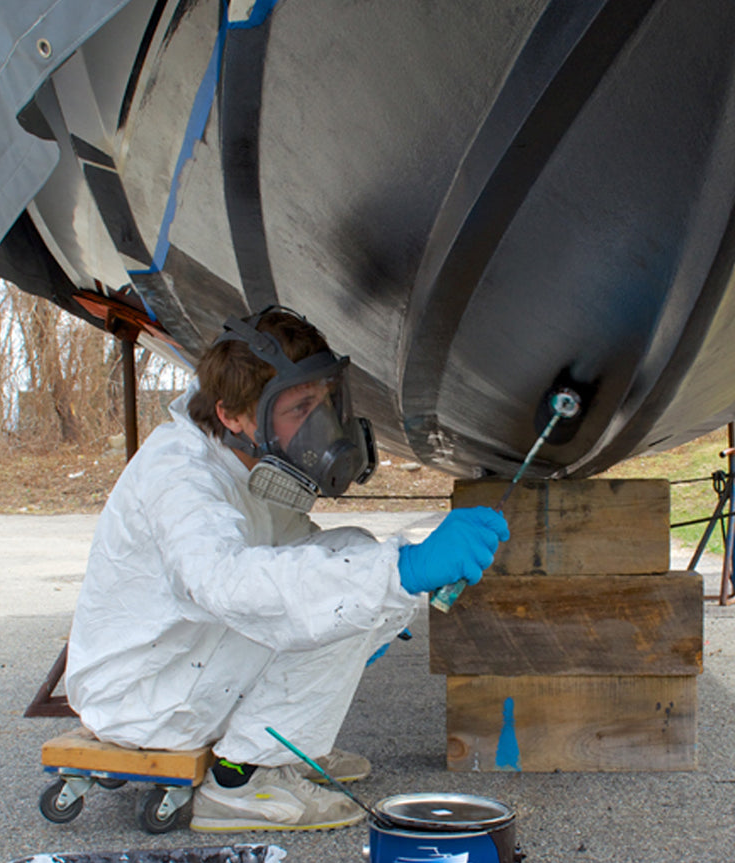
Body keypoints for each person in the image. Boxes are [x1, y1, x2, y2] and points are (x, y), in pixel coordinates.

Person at [65, 306, 509, 832]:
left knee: (351, 558)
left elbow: (303, 556)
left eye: (323, 400)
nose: (319, 422)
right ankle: (243, 779)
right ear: (233, 415)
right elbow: (232, 586)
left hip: (187, 657)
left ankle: (281, 741)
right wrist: (400, 573)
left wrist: (387, 602)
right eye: (300, 407)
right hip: (143, 697)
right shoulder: (180, 475)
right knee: (348, 585)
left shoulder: (248, 455)